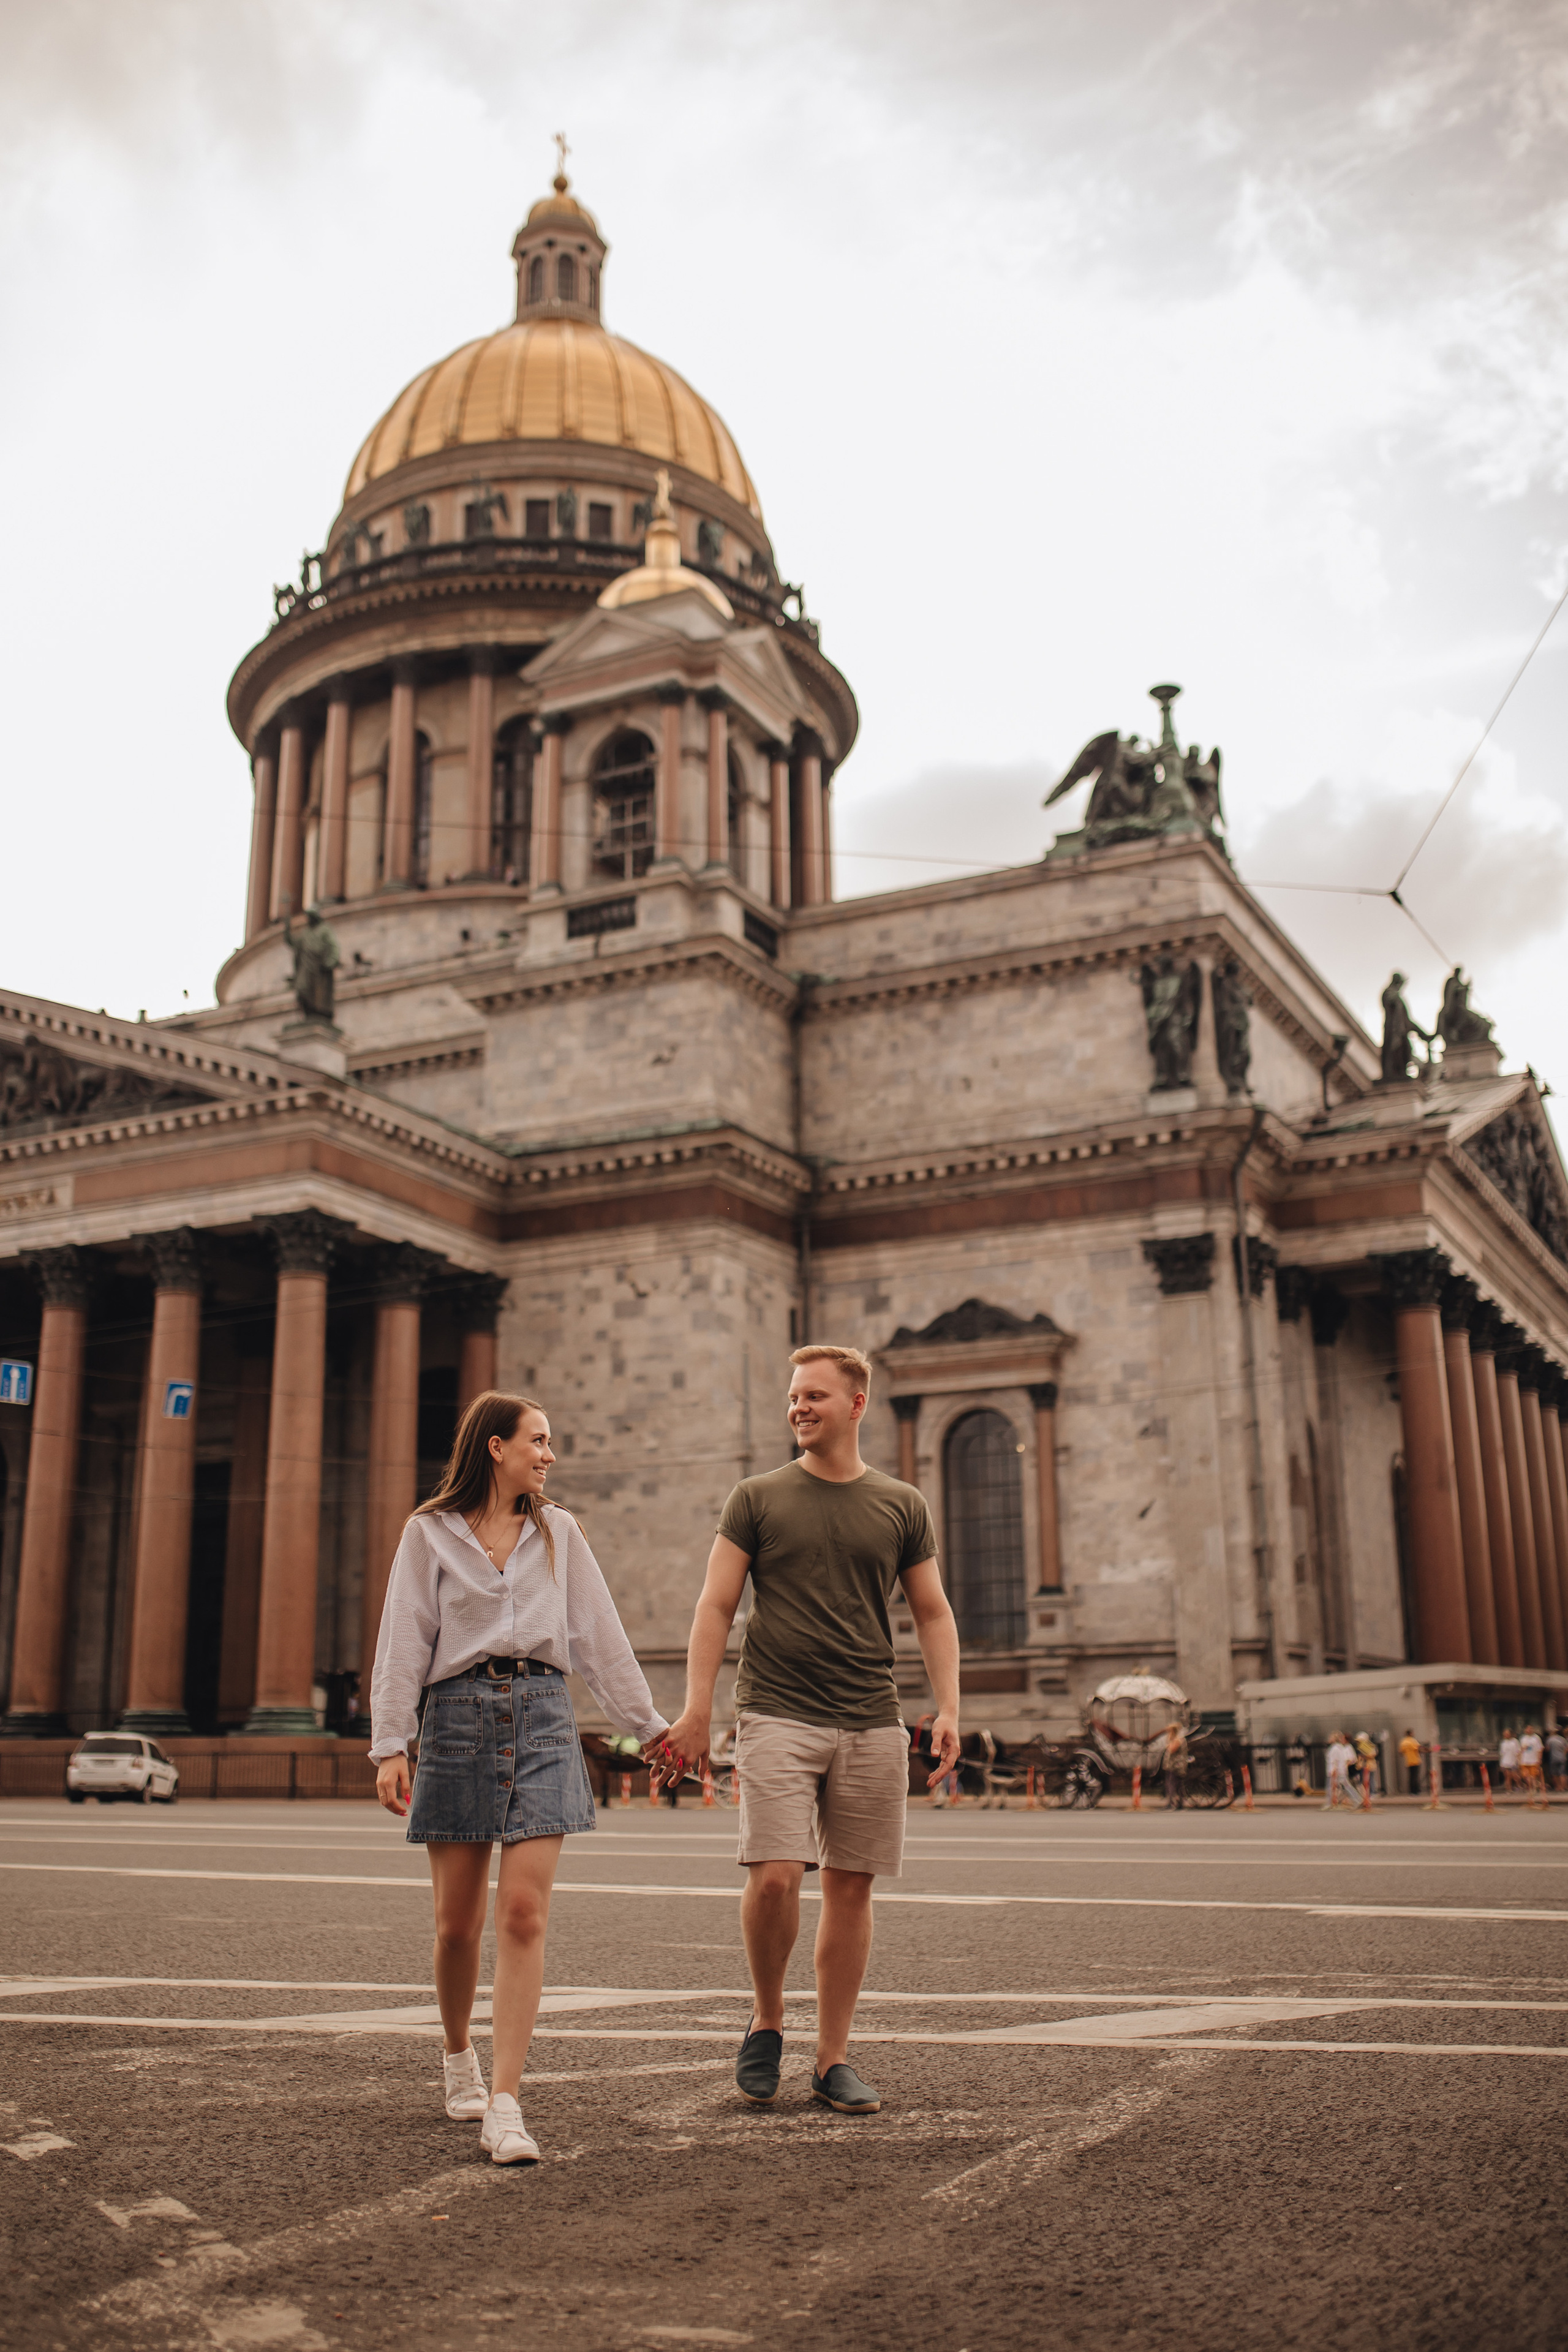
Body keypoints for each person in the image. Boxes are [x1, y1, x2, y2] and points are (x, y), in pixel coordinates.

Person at [657, 1343, 961, 2117]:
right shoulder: (756, 1497)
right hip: (775, 1711)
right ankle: (765, 2018)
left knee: (852, 1889)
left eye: (815, 1396)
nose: (800, 1407)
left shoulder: (901, 1504)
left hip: (870, 1718)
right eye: (794, 1396)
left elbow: (931, 1610)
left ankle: (833, 2059)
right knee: (777, 1875)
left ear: (856, 1405)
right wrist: (696, 1709)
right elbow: (714, 1608)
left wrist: (950, 1707)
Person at [370, 1390, 667, 2165]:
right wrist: (390, 1743)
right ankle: (457, 2056)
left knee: (526, 1914)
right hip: (457, 1717)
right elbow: (403, 1638)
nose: (549, 1454)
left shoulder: (560, 1532)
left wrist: (653, 1730)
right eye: (537, 1440)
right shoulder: (428, 1534)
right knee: (456, 1925)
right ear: (495, 1447)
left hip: (541, 1712)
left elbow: (599, 1639)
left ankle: (506, 2100)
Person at [1323, 1730, 1355, 1809]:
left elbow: (1335, 1761)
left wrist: (1334, 1771)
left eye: (1331, 1737)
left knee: (1331, 1788)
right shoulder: (1340, 1748)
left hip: (1336, 1771)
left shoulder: (1335, 1748)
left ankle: (1329, 1804)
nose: (1329, 1739)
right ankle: (1357, 1799)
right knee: (1346, 1787)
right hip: (1340, 1771)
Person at [1163, 1719, 1189, 1809]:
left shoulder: (1178, 1740)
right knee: (1177, 1785)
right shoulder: (1177, 1739)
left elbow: (1172, 1750)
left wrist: (1168, 1743)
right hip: (1174, 1765)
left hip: (1176, 1766)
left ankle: (1173, 1803)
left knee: (1172, 1784)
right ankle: (1179, 1803)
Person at [1519, 1725, 1546, 1808]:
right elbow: (1520, 1750)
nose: (1528, 1730)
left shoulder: (1536, 1738)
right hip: (1525, 1761)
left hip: (1533, 1761)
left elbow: (1540, 1749)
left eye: (1530, 1729)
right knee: (1527, 1778)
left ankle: (1533, 1793)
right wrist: (1519, 1759)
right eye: (1527, 1729)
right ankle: (1530, 1791)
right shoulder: (1523, 1738)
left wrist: (1539, 1759)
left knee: (1533, 1777)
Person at [1398, 1727, 1422, 1798]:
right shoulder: (1413, 1741)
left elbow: (1401, 1752)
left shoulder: (1403, 1742)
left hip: (1408, 1761)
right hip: (1416, 1761)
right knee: (1416, 1776)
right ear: (1411, 1733)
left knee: (1411, 1777)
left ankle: (1411, 1791)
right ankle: (1416, 1791)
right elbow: (1419, 1748)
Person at [1546, 1724, 1568, 1795]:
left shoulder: (1550, 1739)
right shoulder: (1563, 1739)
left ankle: (1558, 1787)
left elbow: (1547, 1749)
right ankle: (1563, 1787)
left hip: (1554, 1758)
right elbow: (1566, 1749)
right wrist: (1563, 1754)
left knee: (1555, 1773)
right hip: (1562, 1758)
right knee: (1562, 1773)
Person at [1499, 1729, 1521, 1795]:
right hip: (1505, 1762)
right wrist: (1501, 1764)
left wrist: (1519, 1761)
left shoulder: (1515, 1742)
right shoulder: (1503, 1743)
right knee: (1507, 1776)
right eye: (1505, 1734)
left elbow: (1518, 1752)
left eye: (1507, 1734)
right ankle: (1509, 1789)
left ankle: (1519, 1786)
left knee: (1515, 1776)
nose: (1506, 1735)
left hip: (1513, 1761)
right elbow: (1502, 1754)